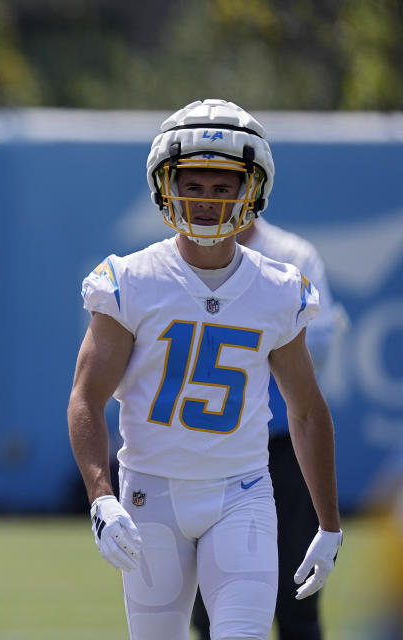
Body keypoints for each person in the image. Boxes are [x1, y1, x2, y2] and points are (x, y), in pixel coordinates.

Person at [66, 98, 342, 639]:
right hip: (149, 494)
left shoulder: (279, 287)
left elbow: (307, 411)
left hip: (241, 493)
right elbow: (85, 398)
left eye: (223, 188)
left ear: (251, 191)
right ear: (166, 186)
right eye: (192, 185)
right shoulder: (132, 280)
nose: (206, 202)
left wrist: (328, 523)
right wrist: (102, 497)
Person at [190, 218, 340, 638]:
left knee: (297, 579)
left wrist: (257, 342)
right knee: (207, 596)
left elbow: (322, 343)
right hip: (213, 446)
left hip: (281, 441)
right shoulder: (175, 259)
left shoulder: (292, 255)